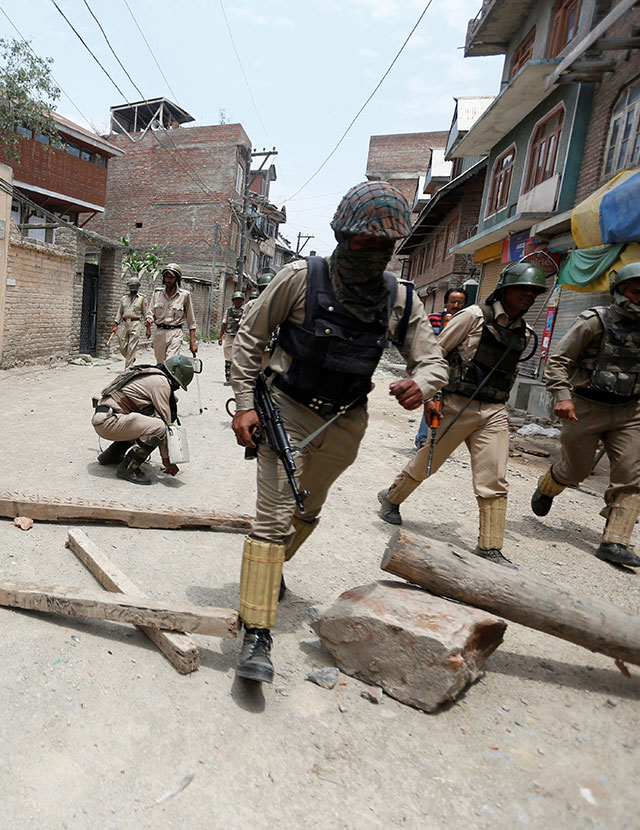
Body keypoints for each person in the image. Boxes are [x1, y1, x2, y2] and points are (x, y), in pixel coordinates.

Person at [228, 181, 448, 683]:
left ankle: (270, 572)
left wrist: (423, 382)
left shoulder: (401, 297)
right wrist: (244, 406)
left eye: (382, 246)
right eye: (361, 243)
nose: (371, 254)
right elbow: (249, 339)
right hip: (286, 408)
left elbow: (432, 358)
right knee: (274, 514)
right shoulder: (300, 278)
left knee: (309, 509)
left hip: (346, 420)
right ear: (340, 236)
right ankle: (257, 633)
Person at [377, 263, 549, 569]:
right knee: (427, 462)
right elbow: (434, 355)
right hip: (456, 404)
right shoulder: (472, 317)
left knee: (493, 477)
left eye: (534, 292)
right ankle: (391, 498)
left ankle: (490, 546)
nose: (529, 296)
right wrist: (430, 395)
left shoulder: (525, 332)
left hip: (494, 410)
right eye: (523, 289)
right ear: (504, 289)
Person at [532, 261, 640, 567]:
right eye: (637, 291)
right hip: (585, 409)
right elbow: (558, 361)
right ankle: (549, 484)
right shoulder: (594, 321)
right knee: (576, 472)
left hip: (629, 411)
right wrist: (563, 397)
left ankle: (615, 541)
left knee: (629, 477)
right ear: (620, 291)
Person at [91, 354, 199, 485]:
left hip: (105, 419)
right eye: (177, 384)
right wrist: (167, 460)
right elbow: (166, 424)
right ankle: (129, 468)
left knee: (144, 421)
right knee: (158, 426)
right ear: (175, 378)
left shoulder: (149, 373)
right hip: (109, 423)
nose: (175, 388)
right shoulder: (161, 383)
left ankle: (111, 455)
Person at [415, 287, 469, 448]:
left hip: (457, 371)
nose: (457, 305)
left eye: (461, 302)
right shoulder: (433, 319)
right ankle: (423, 438)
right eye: (453, 301)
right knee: (432, 400)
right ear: (446, 302)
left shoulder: (469, 322)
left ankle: (438, 439)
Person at [146, 263, 198, 363]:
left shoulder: (184, 296)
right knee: (160, 363)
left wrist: (193, 342)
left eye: (171, 277)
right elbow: (150, 313)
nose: (168, 280)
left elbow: (191, 322)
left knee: (170, 362)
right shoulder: (157, 294)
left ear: (177, 279)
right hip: (160, 333)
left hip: (175, 333)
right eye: (166, 277)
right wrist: (149, 320)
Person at [109, 276, 147, 369]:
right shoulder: (124, 298)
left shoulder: (142, 299)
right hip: (125, 323)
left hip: (136, 323)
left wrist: (148, 328)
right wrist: (116, 325)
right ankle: (131, 358)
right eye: (131, 285)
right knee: (122, 346)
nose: (133, 287)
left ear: (138, 286)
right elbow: (119, 312)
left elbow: (146, 313)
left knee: (132, 347)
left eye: (135, 285)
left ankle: (127, 369)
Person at [218, 291, 247, 385]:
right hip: (230, 336)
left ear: (242, 300)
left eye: (239, 299)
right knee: (228, 359)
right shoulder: (229, 311)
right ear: (233, 301)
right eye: (235, 299)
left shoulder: (245, 310)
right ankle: (228, 379)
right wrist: (220, 337)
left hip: (241, 337)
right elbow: (224, 323)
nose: (237, 301)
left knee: (239, 358)